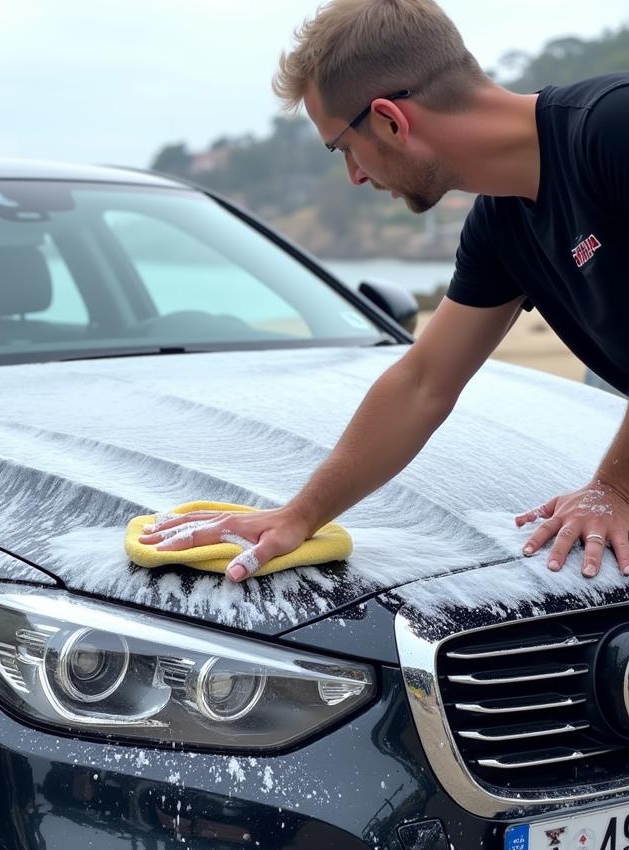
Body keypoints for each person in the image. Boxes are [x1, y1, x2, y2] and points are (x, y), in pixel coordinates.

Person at [141, 0, 629, 583]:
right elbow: (421, 382)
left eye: (342, 147)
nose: (353, 176)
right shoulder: (501, 227)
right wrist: (299, 516)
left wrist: (615, 485)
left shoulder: (613, 128)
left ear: (390, 120)